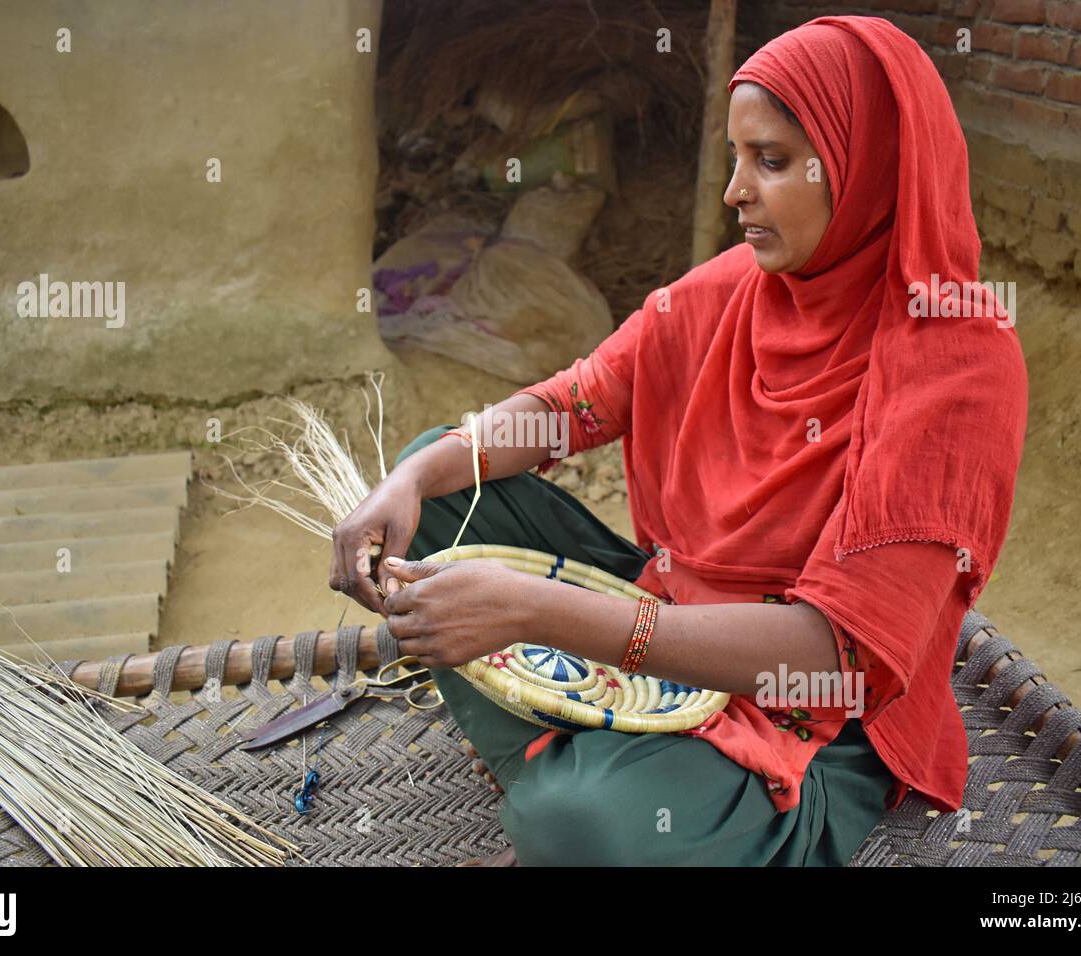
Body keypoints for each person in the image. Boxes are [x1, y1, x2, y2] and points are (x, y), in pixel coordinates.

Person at [329, 15, 1027, 866]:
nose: (736, 192)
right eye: (738, 159)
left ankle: (604, 793)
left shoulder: (955, 363)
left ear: (865, 164)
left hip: (813, 713)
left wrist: (542, 612)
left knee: (583, 827)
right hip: (669, 614)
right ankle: (596, 770)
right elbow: (573, 404)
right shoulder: (737, 288)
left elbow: (830, 655)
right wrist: (409, 477)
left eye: (770, 161)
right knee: (440, 491)